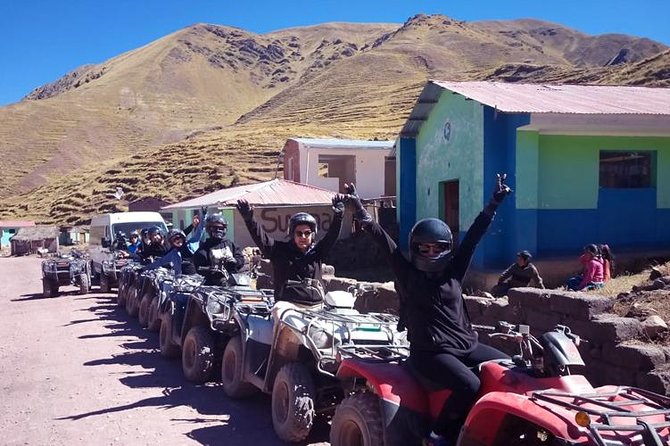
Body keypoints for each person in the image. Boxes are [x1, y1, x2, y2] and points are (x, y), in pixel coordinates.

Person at [346, 174, 512, 446]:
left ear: (447, 249)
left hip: (466, 345)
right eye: (425, 247)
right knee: (469, 384)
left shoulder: (454, 272)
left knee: (510, 369)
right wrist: (360, 209)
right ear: (415, 248)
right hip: (429, 352)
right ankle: (438, 434)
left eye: (437, 247)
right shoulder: (407, 274)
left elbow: (473, 237)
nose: (431, 252)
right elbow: (382, 240)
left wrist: (493, 203)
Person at [236, 195, 346, 317]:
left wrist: (338, 216)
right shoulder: (278, 250)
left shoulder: (318, 252)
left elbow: (332, 236)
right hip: (288, 306)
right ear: (292, 234)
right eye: (299, 233)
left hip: (316, 307)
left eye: (307, 233)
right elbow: (260, 237)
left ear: (312, 235)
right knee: (278, 313)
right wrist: (249, 218)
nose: (303, 237)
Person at [193, 213, 245, 285]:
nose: (218, 230)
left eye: (221, 228)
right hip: (212, 285)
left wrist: (235, 261)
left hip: (232, 281)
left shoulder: (231, 244)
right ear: (209, 229)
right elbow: (198, 267)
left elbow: (241, 259)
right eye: (214, 228)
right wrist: (211, 269)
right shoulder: (204, 248)